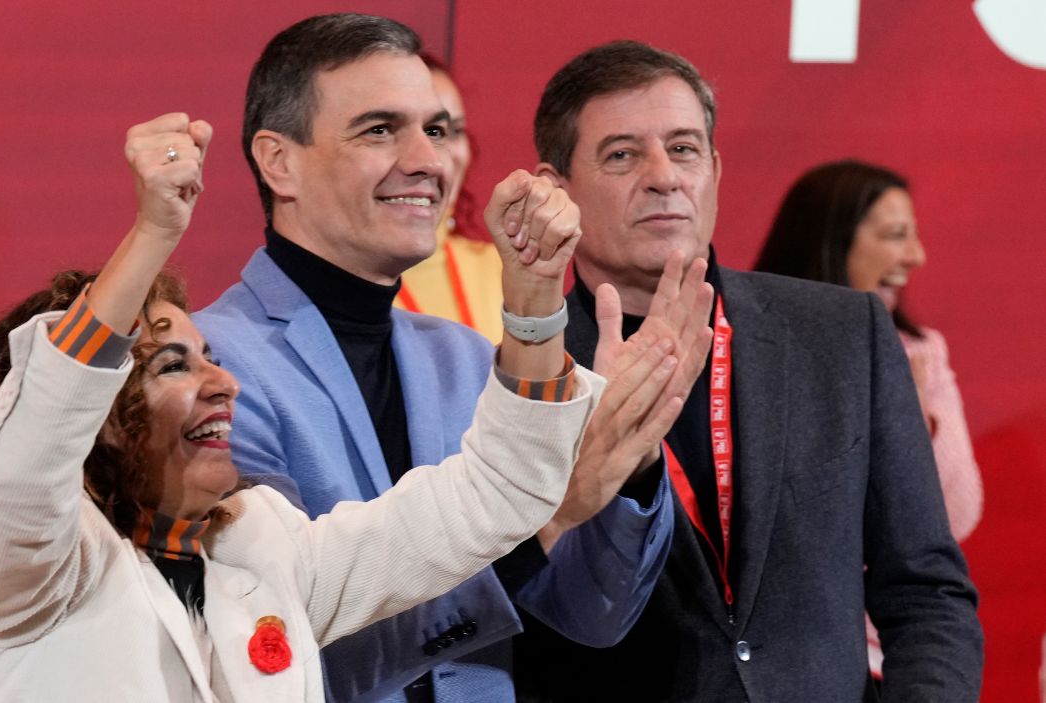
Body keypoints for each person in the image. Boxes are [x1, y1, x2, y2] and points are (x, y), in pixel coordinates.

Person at [0, 112, 681, 702]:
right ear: (99, 415)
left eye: (211, 360)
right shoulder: (26, 568)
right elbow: (33, 449)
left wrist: (532, 307)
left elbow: (488, 498)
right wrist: (154, 235)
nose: (222, 385)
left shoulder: (262, 548)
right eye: (171, 365)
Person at [193, 14, 713, 703]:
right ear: (277, 160)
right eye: (380, 130)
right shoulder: (209, 367)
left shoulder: (466, 360)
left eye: (436, 130)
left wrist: (630, 453)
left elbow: (594, 612)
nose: (429, 161)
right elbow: (275, 617)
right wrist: (547, 514)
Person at [512, 41, 983, 701]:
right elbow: (515, 615)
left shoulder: (843, 333)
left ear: (715, 167)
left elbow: (927, 588)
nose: (664, 176)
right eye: (622, 154)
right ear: (555, 189)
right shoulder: (522, 374)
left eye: (683, 148)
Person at [753, 158, 984, 676]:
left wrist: (915, 419)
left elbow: (957, 516)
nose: (916, 256)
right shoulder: (746, 346)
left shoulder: (923, 352)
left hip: (888, 654)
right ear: (830, 239)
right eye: (895, 235)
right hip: (785, 649)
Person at [394, 54, 505, 343]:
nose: (432, 160)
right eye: (385, 131)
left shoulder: (504, 269)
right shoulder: (336, 285)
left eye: (446, 131)